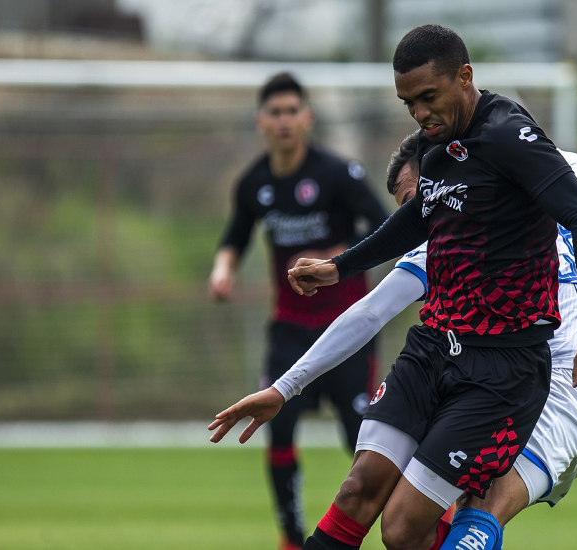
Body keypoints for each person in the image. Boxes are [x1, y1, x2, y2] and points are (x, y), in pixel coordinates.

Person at [212, 25, 577, 550]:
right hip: (431, 351)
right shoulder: (436, 154)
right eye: (409, 104)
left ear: (465, 76)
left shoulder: (506, 134)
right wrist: (339, 267)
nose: (420, 114)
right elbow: (414, 222)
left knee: (402, 527)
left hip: (500, 369)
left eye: (429, 97)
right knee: (356, 490)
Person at [207, 72, 388, 550]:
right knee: (277, 427)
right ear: (260, 122)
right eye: (275, 113)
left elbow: (389, 228)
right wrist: (222, 269)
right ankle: (291, 540)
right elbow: (236, 237)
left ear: (307, 118)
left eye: (292, 111)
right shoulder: (253, 184)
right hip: (289, 332)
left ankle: (410, 529)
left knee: (364, 441)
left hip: (348, 330)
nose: (284, 121)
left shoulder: (337, 174)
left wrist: (334, 257)